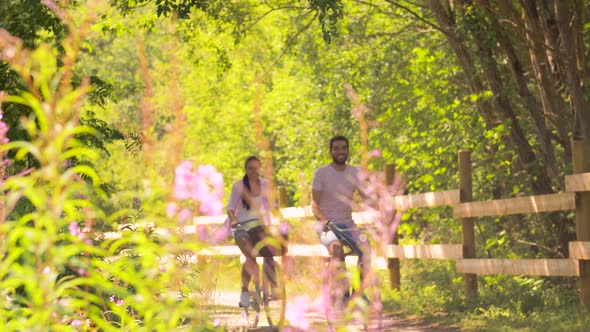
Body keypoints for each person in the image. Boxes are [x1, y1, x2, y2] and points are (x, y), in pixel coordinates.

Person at [311, 135, 371, 310]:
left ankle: (358, 294)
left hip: (348, 224)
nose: (340, 151)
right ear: (331, 151)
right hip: (326, 225)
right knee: (336, 249)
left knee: (366, 250)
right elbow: (314, 204)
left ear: (348, 150)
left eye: (343, 148)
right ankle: (341, 294)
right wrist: (325, 221)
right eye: (336, 148)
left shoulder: (354, 172)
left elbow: (366, 197)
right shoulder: (321, 173)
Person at [227, 156, 282, 308]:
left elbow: (273, 206)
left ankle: (275, 288)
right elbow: (230, 209)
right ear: (245, 170)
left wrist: (282, 220)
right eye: (250, 168)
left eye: (256, 168)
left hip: (260, 228)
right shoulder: (238, 186)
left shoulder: (265, 185)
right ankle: (244, 291)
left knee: (269, 252)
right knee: (251, 258)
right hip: (242, 228)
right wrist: (235, 223)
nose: (253, 171)